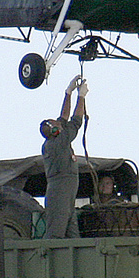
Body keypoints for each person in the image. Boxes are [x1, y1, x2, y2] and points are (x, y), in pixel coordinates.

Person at [40, 76, 87, 239]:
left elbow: (64, 116)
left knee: (72, 231)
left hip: (66, 191)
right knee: (56, 233)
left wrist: (69, 92)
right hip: (60, 190)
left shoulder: (56, 139)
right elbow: (75, 121)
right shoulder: (57, 144)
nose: (61, 122)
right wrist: (81, 97)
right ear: (54, 131)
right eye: (57, 124)